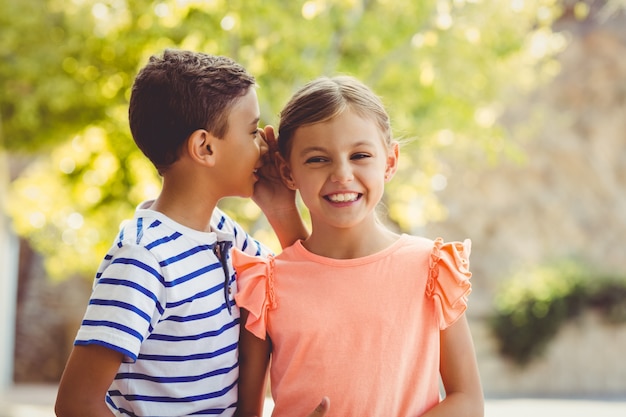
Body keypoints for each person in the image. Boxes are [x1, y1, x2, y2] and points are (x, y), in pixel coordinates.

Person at [55, 49, 328, 417]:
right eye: (251, 132)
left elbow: (303, 282)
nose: (264, 146)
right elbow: (77, 404)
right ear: (205, 147)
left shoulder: (223, 233)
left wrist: (281, 208)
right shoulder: (142, 258)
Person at [232, 75, 484, 417]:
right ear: (287, 171)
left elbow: (468, 402)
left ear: (390, 162)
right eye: (317, 159)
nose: (342, 174)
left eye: (360, 155)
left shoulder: (432, 267)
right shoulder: (266, 285)